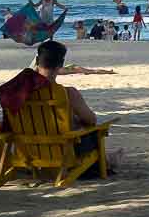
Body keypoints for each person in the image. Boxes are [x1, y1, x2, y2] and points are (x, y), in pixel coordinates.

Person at [15, 40, 123, 173]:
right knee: (92, 131)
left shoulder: (18, 92)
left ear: (37, 61)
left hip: (26, 151)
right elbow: (91, 120)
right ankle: (107, 160)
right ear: (61, 64)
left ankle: (109, 157)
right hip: (63, 151)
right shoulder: (68, 93)